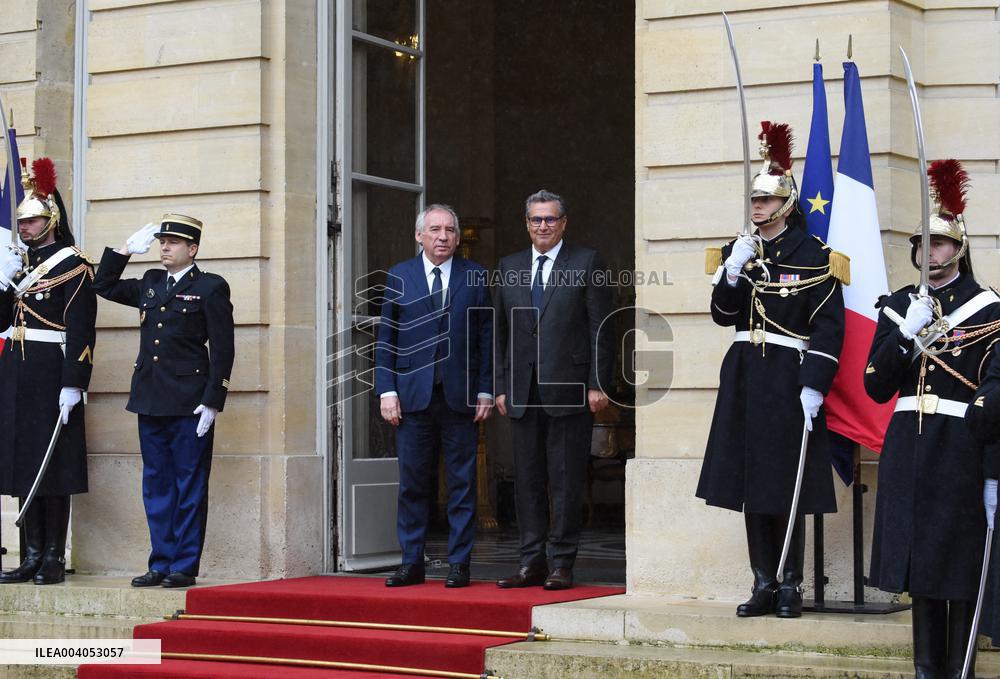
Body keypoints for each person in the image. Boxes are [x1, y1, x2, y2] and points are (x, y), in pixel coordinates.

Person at [696, 122, 846, 619]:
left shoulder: (814, 256)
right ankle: (763, 581)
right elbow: (722, 314)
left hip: (787, 376)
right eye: (753, 200)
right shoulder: (740, 248)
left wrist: (814, 387)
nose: (756, 207)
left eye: (765, 200)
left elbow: (828, 328)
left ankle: (791, 584)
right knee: (749, 481)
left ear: (786, 204)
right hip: (744, 373)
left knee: (787, 483)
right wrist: (733, 269)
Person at [865, 159, 1000, 676]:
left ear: (959, 248)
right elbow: (875, 384)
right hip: (908, 443)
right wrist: (906, 333)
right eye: (923, 244)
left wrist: (990, 463)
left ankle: (957, 667)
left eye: (940, 243)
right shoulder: (902, 305)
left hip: (960, 444)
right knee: (920, 561)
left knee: (957, 559)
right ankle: (927, 668)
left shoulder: (988, 311)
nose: (929, 251)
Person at [93, 215, 234, 589]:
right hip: (150, 399)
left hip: (190, 403)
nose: (165, 247)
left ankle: (184, 565)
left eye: (173, 242)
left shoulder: (210, 287)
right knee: (156, 486)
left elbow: (222, 348)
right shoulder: (151, 283)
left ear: (193, 248)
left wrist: (213, 400)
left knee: (189, 485)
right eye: (162, 241)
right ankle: (160, 561)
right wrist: (123, 250)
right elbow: (102, 285)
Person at [493, 189, 614, 591]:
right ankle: (532, 562)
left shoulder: (586, 261)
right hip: (522, 392)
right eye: (535, 219)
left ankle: (561, 562)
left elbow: (601, 328)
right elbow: (499, 333)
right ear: (526, 223)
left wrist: (597, 383)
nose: (542, 226)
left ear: (564, 223)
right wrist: (499, 386)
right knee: (526, 480)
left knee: (564, 480)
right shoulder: (508, 266)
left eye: (549, 219)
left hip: (571, 389)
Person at [375, 205, 493, 588]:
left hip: (460, 397)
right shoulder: (399, 276)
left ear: (458, 238)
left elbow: (487, 339)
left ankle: (459, 563)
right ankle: (412, 562)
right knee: (413, 483)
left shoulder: (475, 276)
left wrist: (486, 389)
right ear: (419, 236)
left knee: (462, 484)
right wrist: (387, 390)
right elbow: (386, 340)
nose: (442, 236)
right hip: (412, 398)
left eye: (449, 230)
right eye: (434, 229)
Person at [0, 157, 97, 585]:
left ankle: (54, 556)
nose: (24, 228)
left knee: (52, 463)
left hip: (52, 372)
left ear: (52, 218)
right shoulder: (17, 265)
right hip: (17, 371)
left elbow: (81, 329)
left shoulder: (73, 264)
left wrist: (74, 382)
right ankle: (31, 554)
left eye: (33, 221)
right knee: (24, 461)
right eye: (22, 223)